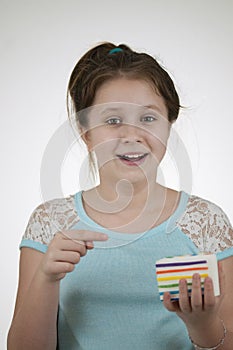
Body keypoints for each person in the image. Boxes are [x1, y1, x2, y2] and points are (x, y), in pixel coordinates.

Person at [7, 42, 233, 350]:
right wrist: (46, 278)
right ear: (86, 132)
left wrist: (202, 325)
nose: (131, 134)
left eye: (148, 118)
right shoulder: (50, 223)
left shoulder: (207, 222)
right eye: (112, 120)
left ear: (169, 125)